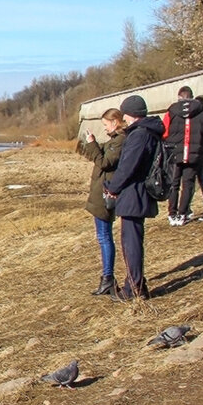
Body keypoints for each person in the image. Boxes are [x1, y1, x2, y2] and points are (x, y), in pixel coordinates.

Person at [103, 94, 164, 301]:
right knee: (133, 241)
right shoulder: (148, 131)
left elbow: (127, 167)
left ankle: (133, 290)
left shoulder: (139, 135)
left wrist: (113, 188)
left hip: (134, 194)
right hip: (138, 193)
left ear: (130, 114)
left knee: (131, 243)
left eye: (125, 115)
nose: (125, 120)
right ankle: (136, 284)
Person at [79, 108, 126, 296]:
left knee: (105, 237)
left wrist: (91, 144)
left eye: (106, 124)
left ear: (115, 122)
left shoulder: (120, 141)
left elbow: (104, 163)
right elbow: (104, 160)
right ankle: (107, 278)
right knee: (103, 237)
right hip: (102, 193)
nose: (105, 128)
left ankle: (108, 278)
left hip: (105, 194)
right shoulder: (116, 140)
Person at [160, 85, 203, 226]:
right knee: (188, 184)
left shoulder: (171, 111)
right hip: (194, 154)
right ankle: (183, 214)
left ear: (179, 97)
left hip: (174, 153)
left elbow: (164, 132)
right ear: (191, 96)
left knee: (174, 184)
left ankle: (172, 214)